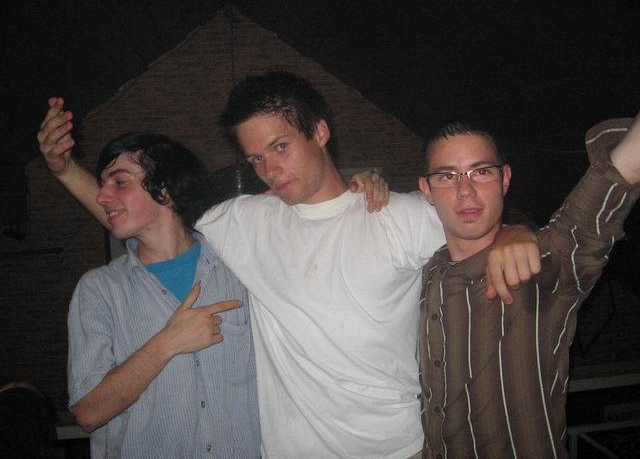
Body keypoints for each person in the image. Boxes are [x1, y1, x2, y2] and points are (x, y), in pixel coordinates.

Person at [38, 72, 539, 459]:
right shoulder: (243, 221)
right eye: (256, 159)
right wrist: (64, 170)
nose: (270, 170)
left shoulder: (397, 216)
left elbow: (478, 225)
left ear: (319, 131)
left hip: (396, 450)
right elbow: (146, 215)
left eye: (280, 147)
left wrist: (516, 232)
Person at [416, 116, 640, 458]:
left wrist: (517, 231)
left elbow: (621, 169)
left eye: (481, 171)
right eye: (447, 176)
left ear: (505, 178)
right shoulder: (431, 270)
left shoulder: (546, 262)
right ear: (426, 190)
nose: (465, 191)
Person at [65, 132, 261, 458]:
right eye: (102, 184)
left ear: (165, 191)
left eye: (119, 182)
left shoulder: (238, 267)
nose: (101, 196)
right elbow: (88, 413)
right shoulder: (98, 290)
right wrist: (167, 343)